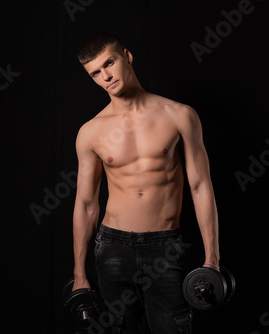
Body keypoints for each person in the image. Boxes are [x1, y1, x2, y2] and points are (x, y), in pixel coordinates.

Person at [71, 31, 219, 334]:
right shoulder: (91, 132)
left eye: (109, 63)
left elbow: (201, 186)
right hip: (112, 247)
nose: (105, 76)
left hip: (164, 246)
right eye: (95, 73)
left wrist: (212, 259)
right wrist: (79, 274)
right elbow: (86, 205)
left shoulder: (179, 115)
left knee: (174, 327)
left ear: (127, 56)